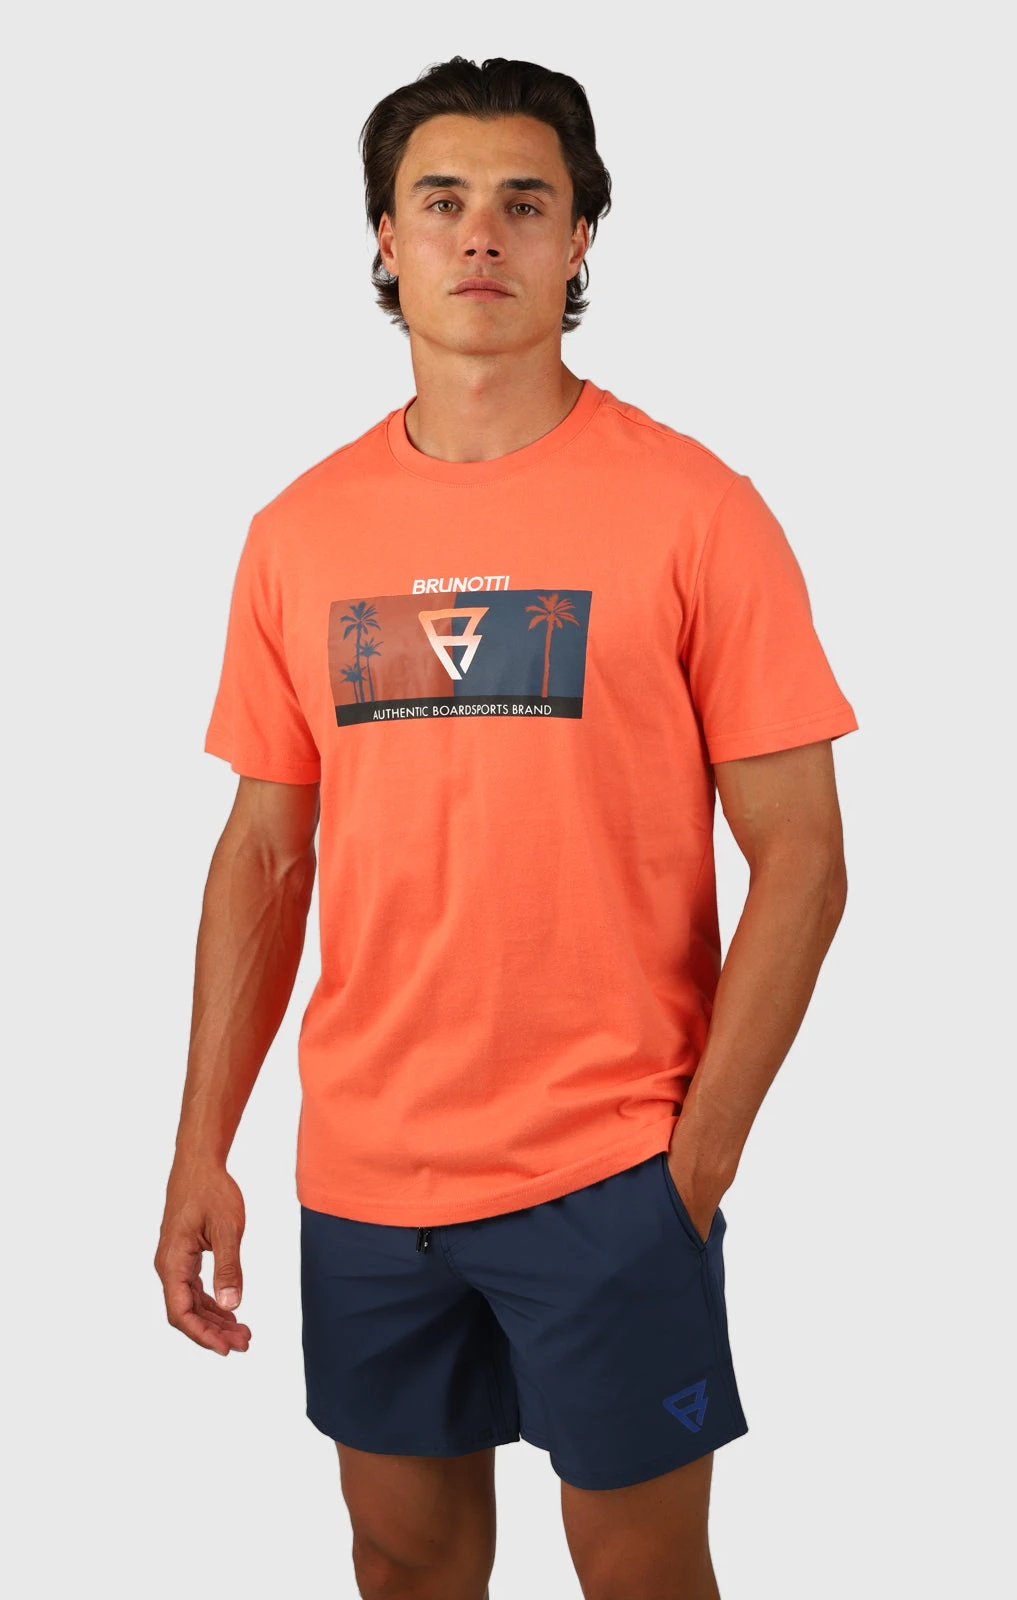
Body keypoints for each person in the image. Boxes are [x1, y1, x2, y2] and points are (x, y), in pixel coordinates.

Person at [155, 54, 857, 1600]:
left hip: (612, 1170)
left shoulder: (697, 510)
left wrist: (695, 1164)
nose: (483, 233)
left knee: (642, 1574)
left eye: (526, 203)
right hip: (365, 1174)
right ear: (386, 239)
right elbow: (265, 853)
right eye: (443, 201)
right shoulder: (298, 533)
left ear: (580, 239)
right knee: (401, 1562)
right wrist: (202, 1147)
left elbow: (805, 855)